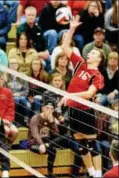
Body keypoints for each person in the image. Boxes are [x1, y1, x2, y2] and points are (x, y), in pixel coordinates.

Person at [59, 16, 105, 177]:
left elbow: (89, 94)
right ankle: (91, 173)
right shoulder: (80, 64)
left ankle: (98, 174)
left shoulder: (97, 75)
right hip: (73, 110)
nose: (89, 54)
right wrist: (72, 28)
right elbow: (64, 47)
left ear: (99, 59)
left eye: (92, 53)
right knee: (81, 145)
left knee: (92, 143)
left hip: (85, 111)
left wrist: (70, 95)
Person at [28, 100, 59, 178]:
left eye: (51, 109)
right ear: (42, 109)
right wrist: (41, 144)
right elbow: (35, 134)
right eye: (47, 108)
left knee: (53, 150)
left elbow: (56, 134)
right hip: (34, 144)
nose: (49, 110)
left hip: (46, 143)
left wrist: (52, 122)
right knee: (42, 148)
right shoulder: (35, 118)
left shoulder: (52, 119)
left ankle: (50, 174)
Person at [17, 6, 50, 72]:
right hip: (27, 55)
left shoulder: (38, 28)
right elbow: (23, 47)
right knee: (43, 63)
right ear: (25, 16)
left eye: (33, 15)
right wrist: (37, 55)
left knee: (51, 59)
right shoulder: (21, 29)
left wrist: (46, 51)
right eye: (29, 15)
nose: (31, 17)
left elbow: (44, 43)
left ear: (35, 16)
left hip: (40, 54)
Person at [6, 58, 30, 126]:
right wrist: (12, 95)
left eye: (15, 63)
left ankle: (25, 119)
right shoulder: (5, 76)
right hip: (9, 98)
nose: (13, 65)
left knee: (22, 100)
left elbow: (26, 90)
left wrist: (19, 94)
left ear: (18, 65)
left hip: (21, 97)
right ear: (8, 65)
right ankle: (14, 120)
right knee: (16, 100)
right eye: (11, 63)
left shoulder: (23, 76)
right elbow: (4, 90)